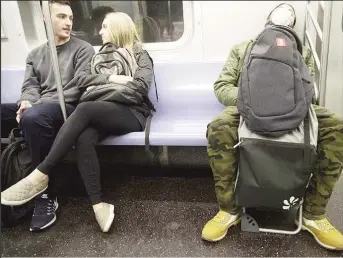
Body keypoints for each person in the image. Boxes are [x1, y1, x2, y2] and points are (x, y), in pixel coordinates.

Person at [201, 3, 343, 251]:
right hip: (247, 108)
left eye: (290, 17)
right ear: (266, 21)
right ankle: (228, 209)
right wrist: (256, 97)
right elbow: (221, 87)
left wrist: (284, 101)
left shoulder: (301, 53)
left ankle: (313, 214)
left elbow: (309, 94)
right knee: (219, 126)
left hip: (292, 110)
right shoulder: (242, 49)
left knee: (336, 127)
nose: (284, 19)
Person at [1, 12, 155, 233]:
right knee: (84, 137)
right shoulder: (100, 56)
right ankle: (98, 204)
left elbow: (139, 88)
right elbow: (83, 81)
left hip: (131, 113)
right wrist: (115, 79)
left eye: (104, 27)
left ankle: (40, 174)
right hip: (101, 110)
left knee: (85, 108)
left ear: (118, 28)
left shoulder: (140, 54)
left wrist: (105, 89)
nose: (100, 32)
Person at [0, 0, 94, 232]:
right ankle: (10, 176)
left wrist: (34, 106)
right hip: (40, 105)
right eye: (61, 17)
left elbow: (79, 88)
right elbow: (30, 86)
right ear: (46, 20)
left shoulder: (83, 49)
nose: (68, 22)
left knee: (34, 118)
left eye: (70, 18)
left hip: (68, 107)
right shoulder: (35, 54)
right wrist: (25, 102)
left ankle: (46, 193)